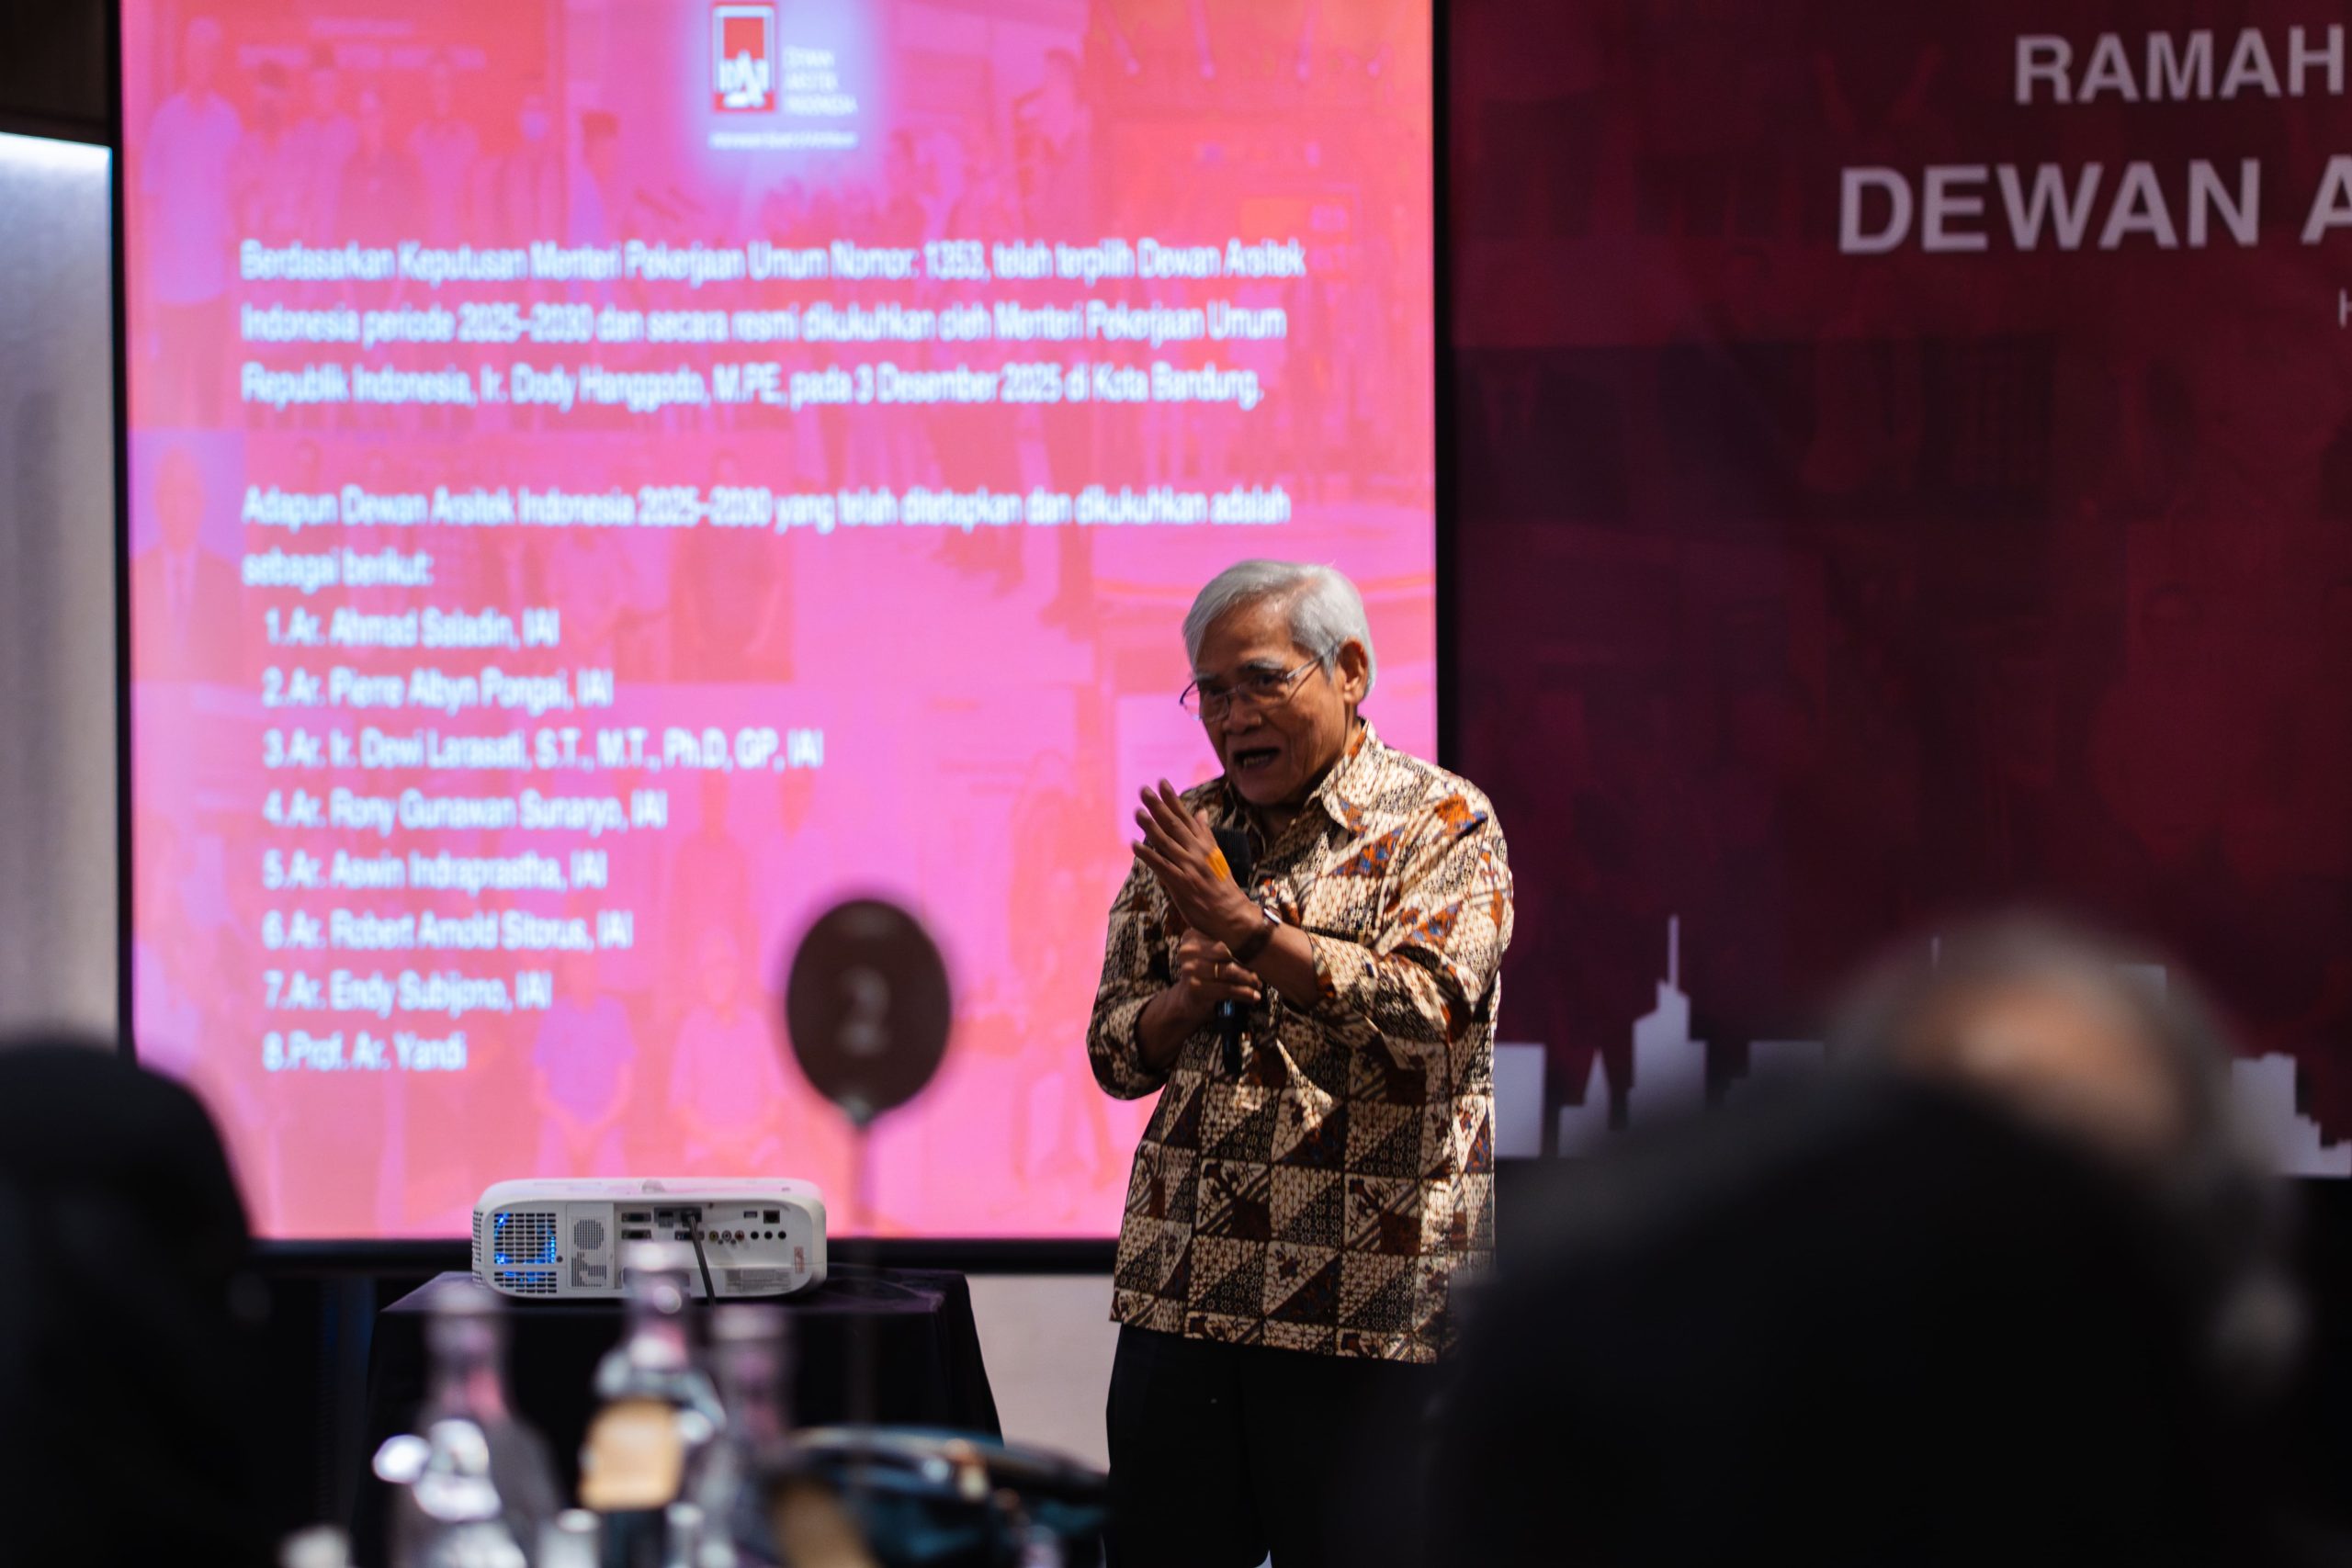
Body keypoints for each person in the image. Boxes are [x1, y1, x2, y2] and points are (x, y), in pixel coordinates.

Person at [1087, 560, 1513, 1568]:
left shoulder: (1443, 823)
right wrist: (1183, 1003)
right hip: (1183, 1295)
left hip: (1368, 1308)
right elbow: (1113, 1050)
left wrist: (1251, 931)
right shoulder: (1189, 836)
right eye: (1212, 692)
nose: (1234, 716)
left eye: (1262, 680)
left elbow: (1430, 1013)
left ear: (1350, 669)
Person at [139, 16, 242, 426]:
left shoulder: (229, 122)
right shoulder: (164, 122)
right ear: (186, 58)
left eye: (209, 53)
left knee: (209, 400)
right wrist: (147, 283)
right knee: (168, 402)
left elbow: (237, 203)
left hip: (213, 287)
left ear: (216, 61)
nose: (202, 61)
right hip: (171, 290)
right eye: (195, 52)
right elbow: (149, 205)